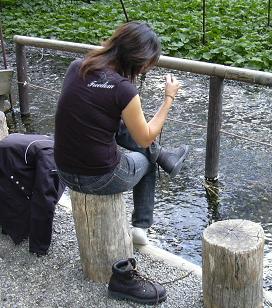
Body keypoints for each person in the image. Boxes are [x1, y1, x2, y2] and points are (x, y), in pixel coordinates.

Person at [53, 21, 188, 305]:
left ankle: (167, 157)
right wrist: (168, 99)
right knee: (148, 154)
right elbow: (146, 135)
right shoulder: (123, 89)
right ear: (138, 61)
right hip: (98, 177)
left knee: (117, 127)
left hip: (64, 169)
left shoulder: (78, 66)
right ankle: (141, 226)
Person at [0, 133, 66, 256]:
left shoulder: (55, 142)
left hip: (12, 145)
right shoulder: (52, 154)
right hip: (11, 155)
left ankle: (9, 225)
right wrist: (40, 246)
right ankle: (34, 242)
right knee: (45, 194)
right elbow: (45, 198)